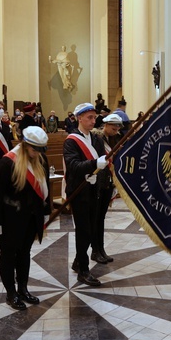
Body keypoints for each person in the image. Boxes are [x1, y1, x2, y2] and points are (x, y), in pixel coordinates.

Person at [0, 126, 51, 310]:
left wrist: (45, 211)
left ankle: (23, 289)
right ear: (24, 145)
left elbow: (45, 187)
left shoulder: (41, 159)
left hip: (31, 218)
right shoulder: (8, 163)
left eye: (39, 150)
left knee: (24, 254)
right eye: (33, 149)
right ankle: (11, 293)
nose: (36, 154)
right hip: (11, 219)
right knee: (8, 256)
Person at [64, 103, 108, 286]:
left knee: (91, 230)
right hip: (79, 191)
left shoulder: (96, 139)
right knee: (83, 231)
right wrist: (93, 165)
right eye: (89, 117)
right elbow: (73, 166)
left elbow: (102, 162)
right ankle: (83, 270)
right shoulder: (71, 141)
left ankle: (77, 260)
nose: (93, 120)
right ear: (79, 118)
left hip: (94, 190)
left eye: (94, 117)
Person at [92, 113, 122, 264]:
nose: (116, 129)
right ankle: (95, 249)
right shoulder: (97, 138)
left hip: (108, 182)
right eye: (114, 126)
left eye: (118, 127)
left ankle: (100, 248)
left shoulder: (114, 138)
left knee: (101, 218)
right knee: (96, 217)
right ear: (106, 125)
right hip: (98, 182)